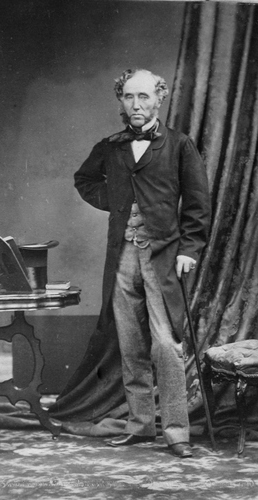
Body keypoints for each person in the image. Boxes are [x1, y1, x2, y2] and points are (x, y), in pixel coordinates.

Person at [74, 68, 210, 458]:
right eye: (129, 96)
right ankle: (140, 425)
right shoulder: (111, 146)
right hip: (122, 255)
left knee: (166, 344)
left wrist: (189, 250)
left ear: (159, 99)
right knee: (131, 343)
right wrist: (116, 202)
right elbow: (85, 180)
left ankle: (177, 432)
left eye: (144, 96)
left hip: (164, 256)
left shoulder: (179, 144)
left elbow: (198, 204)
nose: (136, 104)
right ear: (121, 100)